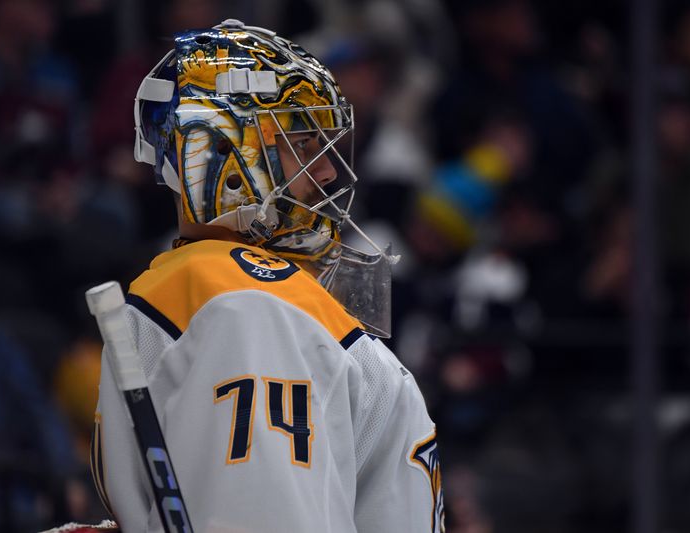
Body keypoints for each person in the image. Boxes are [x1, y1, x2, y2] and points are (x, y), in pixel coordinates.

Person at [92, 19, 444, 533]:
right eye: (303, 144)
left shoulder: (238, 295)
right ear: (217, 151)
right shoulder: (245, 301)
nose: (326, 172)